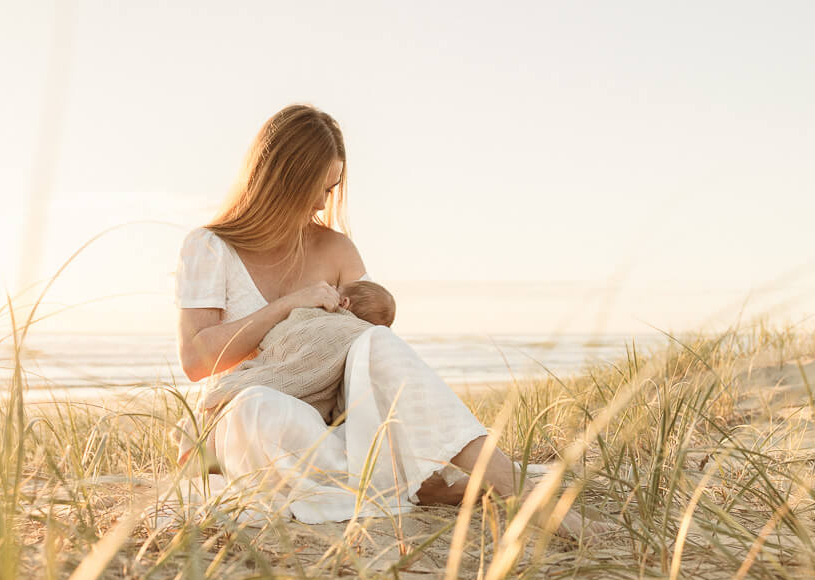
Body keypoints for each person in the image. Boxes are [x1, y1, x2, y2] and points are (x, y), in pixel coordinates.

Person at [176, 103, 598, 534]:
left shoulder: (336, 249)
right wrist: (290, 305)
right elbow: (197, 360)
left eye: (332, 188)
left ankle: (514, 492)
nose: (324, 202)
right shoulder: (210, 247)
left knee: (375, 342)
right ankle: (418, 485)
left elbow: (372, 352)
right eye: (316, 189)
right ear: (281, 181)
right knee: (259, 406)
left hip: (331, 429)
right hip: (251, 424)